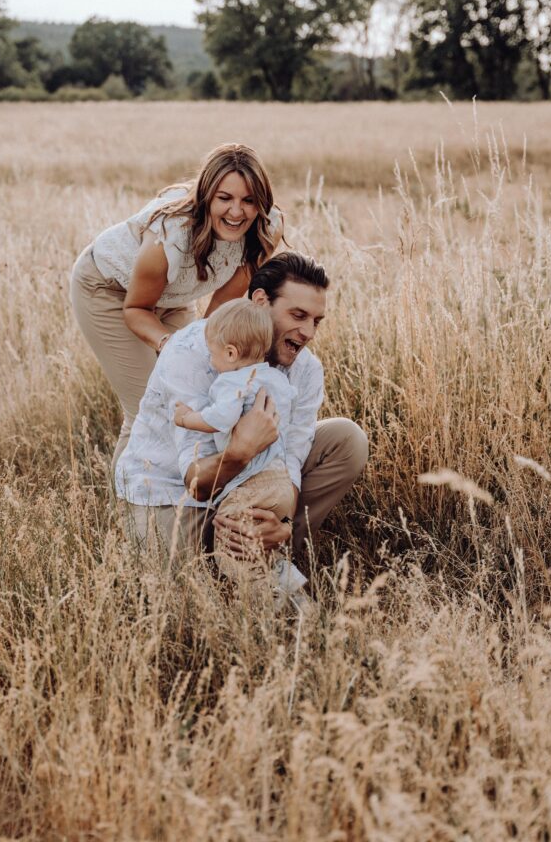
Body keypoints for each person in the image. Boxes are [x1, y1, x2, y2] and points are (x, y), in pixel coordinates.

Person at [115, 251, 369, 565]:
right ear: (261, 301)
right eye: (298, 315)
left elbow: (292, 461)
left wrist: (285, 525)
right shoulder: (191, 351)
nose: (309, 333)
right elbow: (195, 483)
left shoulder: (306, 369)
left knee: (347, 439)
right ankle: (233, 559)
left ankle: (272, 546)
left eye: (316, 321)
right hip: (172, 494)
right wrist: (239, 451)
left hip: (253, 491)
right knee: (180, 600)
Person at [70, 144, 282, 470]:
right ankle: (127, 511)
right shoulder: (171, 234)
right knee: (148, 404)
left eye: (249, 200)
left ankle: (178, 497)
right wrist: (172, 347)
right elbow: (137, 309)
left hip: (173, 296)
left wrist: (201, 354)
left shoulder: (265, 230)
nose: (237, 212)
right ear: (207, 196)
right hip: (109, 290)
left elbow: (220, 311)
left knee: (193, 392)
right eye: (225, 198)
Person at [173, 297, 303, 590]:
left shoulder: (231, 382)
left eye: (212, 353)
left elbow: (220, 417)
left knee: (231, 547)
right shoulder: (275, 378)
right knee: (258, 544)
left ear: (231, 353)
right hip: (281, 483)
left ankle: (269, 606)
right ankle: (288, 581)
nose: (210, 360)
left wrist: (187, 418)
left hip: (252, 484)